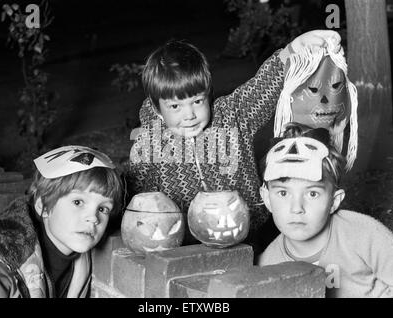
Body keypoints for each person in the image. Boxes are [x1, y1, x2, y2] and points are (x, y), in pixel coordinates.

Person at [127, 30, 342, 254]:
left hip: (248, 234)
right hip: (187, 247)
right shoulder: (150, 144)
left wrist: (293, 51)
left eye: (197, 101)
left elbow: (262, 86)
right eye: (175, 106)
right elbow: (140, 199)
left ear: (207, 94)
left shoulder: (233, 116)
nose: (189, 114)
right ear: (157, 108)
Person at [258, 123, 393, 297]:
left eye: (312, 193)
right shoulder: (268, 266)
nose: (297, 208)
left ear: (334, 201)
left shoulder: (364, 234)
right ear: (267, 198)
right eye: (283, 193)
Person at [0, 145, 123, 298]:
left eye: (103, 209)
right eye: (78, 202)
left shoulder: (78, 260)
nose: (93, 218)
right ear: (43, 206)